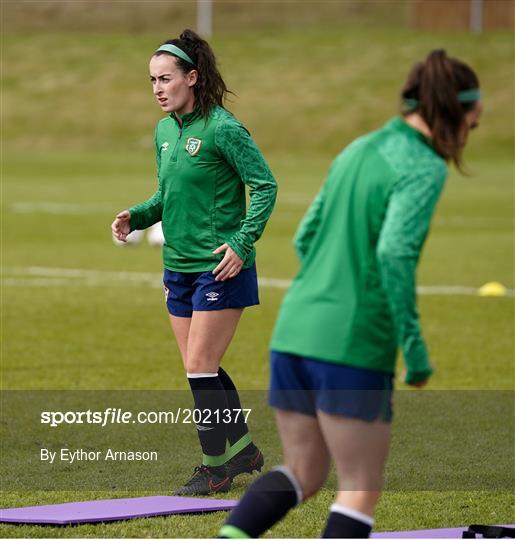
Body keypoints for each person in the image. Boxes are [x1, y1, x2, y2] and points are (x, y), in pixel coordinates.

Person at [219, 49, 481, 538]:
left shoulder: (359, 147)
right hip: (351, 343)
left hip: (295, 331)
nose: (469, 135)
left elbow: (305, 235)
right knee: (359, 485)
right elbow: (396, 255)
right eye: (472, 124)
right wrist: (416, 351)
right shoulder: (424, 167)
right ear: (452, 113)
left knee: (303, 472)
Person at [111, 29, 277, 495]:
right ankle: (242, 449)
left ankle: (215, 468)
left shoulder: (224, 128)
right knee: (198, 366)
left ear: (192, 76)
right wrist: (137, 217)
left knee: (201, 364)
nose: (158, 88)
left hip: (220, 265)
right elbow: (167, 194)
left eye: (165, 78)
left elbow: (265, 186)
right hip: (176, 267)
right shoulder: (164, 131)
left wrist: (242, 243)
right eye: (151, 80)